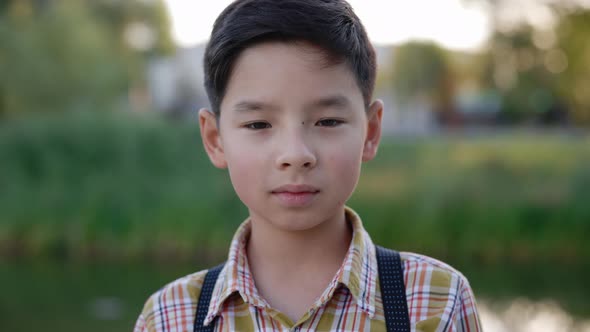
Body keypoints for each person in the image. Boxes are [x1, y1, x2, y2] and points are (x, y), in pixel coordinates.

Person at [134, 0, 482, 331]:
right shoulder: (170, 317)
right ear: (215, 139)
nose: (296, 154)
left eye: (328, 121)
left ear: (371, 131)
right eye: (258, 124)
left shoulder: (435, 302)